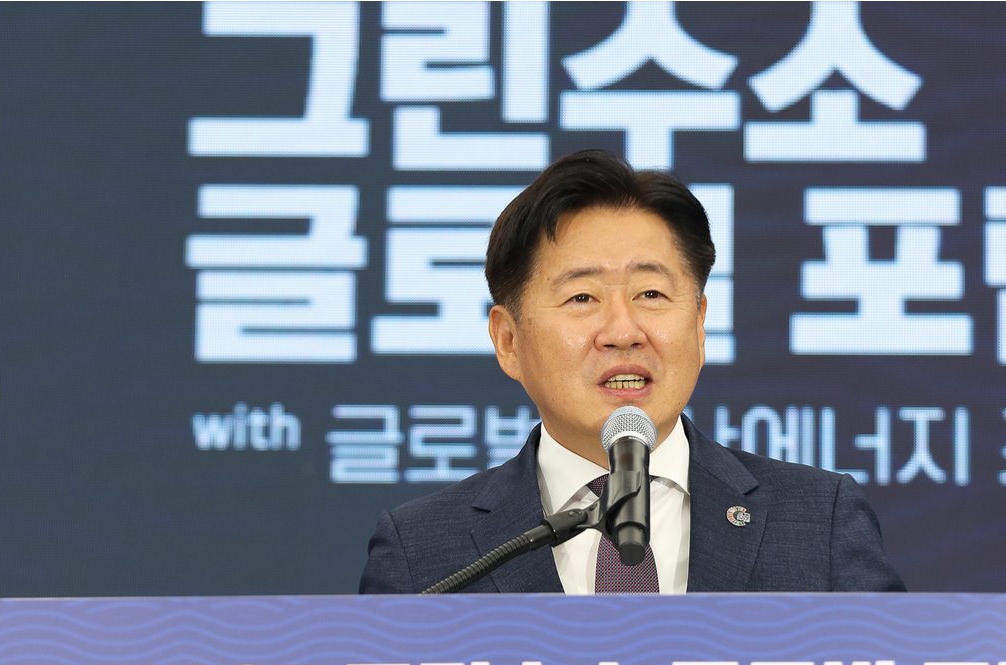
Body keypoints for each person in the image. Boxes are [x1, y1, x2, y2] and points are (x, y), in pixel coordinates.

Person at [360, 150, 905, 594]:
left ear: (699, 323)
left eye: (651, 294)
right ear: (508, 340)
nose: (623, 330)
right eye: (582, 297)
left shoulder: (818, 522)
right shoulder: (424, 553)